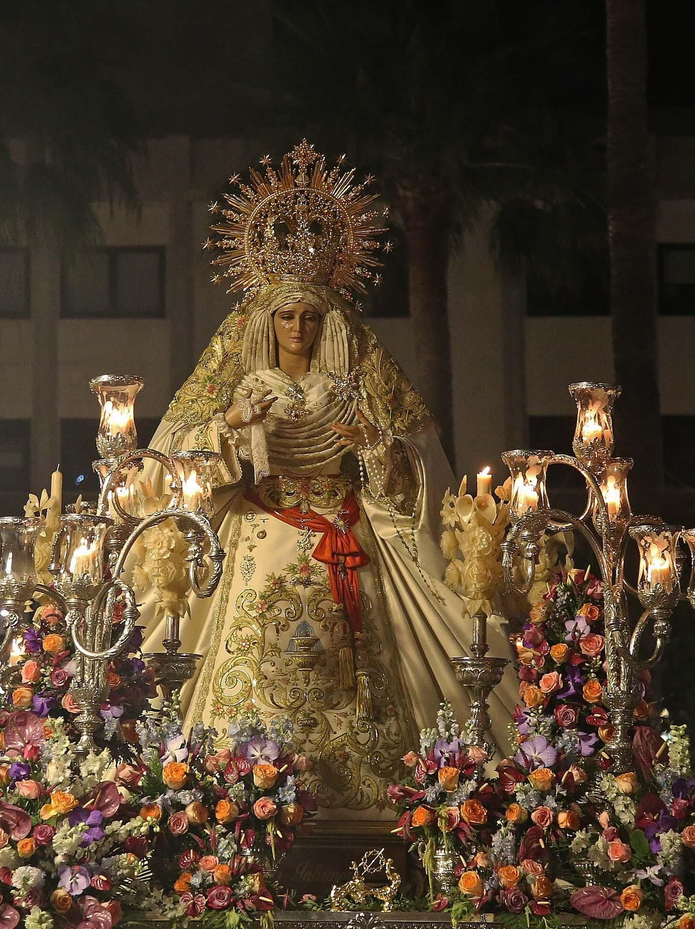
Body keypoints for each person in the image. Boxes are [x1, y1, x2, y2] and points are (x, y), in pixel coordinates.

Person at [136, 142, 520, 816]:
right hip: (261, 524)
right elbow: (179, 458)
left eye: (311, 316)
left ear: (326, 321)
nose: (298, 326)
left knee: (362, 651)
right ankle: (238, 790)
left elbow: (411, 468)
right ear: (267, 319)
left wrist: (372, 444)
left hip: (345, 528)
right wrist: (230, 422)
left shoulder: (353, 379)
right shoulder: (244, 378)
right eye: (287, 314)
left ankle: (371, 790)